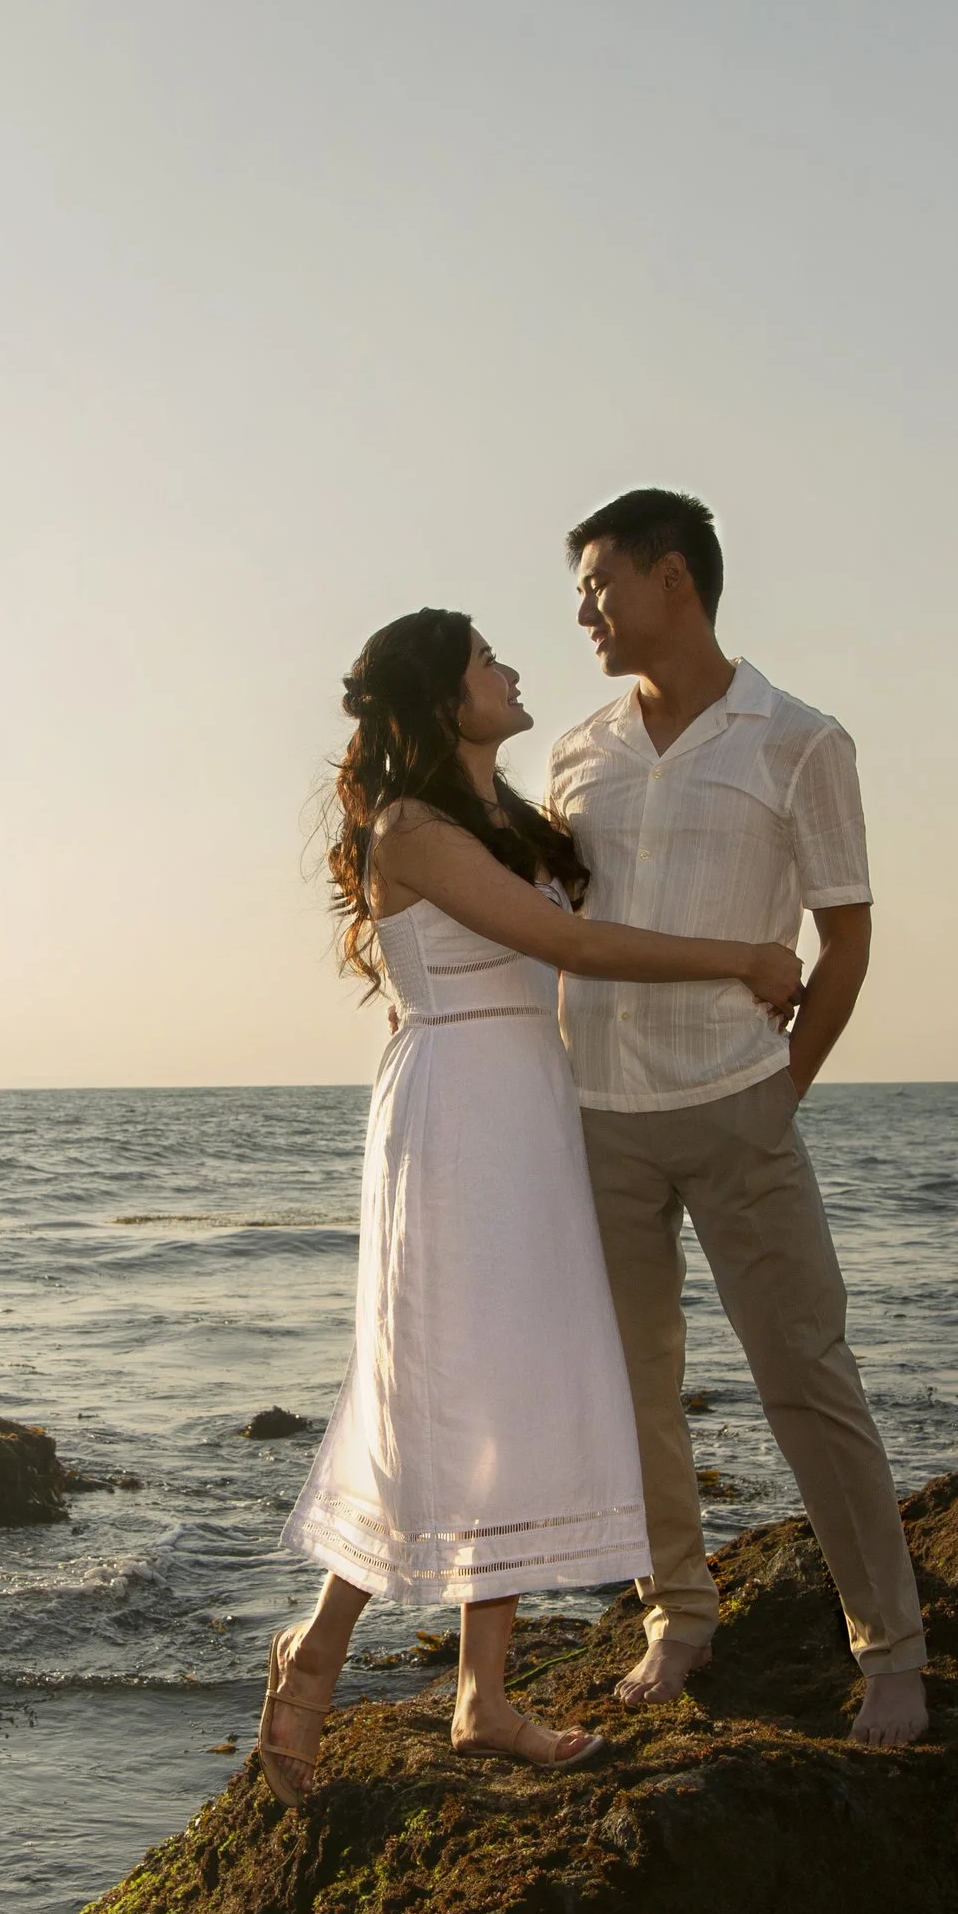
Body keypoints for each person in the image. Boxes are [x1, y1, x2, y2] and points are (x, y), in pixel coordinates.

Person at [256, 606, 805, 1798]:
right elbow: (576, 946)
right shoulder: (410, 828)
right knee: (434, 1393)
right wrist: (743, 957)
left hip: (527, 1107)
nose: (511, 672)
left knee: (507, 1387)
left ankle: (481, 1697)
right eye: (486, 662)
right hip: (458, 1111)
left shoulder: (511, 816)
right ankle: (315, 1653)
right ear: (443, 700)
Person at [545, 490, 930, 1750]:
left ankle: (891, 1647)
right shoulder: (577, 750)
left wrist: (782, 1088)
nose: (584, 607)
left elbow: (849, 934)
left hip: (735, 1107)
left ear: (676, 578)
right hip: (594, 1111)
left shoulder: (798, 738)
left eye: (601, 581)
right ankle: (678, 1614)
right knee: (633, 1387)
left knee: (805, 1376)